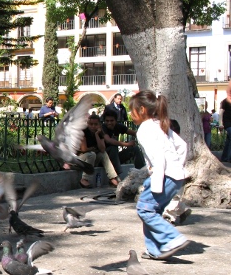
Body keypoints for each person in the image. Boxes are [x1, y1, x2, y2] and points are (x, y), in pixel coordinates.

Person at [129, 90, 190, 260]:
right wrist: (178, 166)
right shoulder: (160, 124)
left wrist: (156, 180)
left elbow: (158, 157)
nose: (130, 114)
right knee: (152, 210)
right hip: (176, 175)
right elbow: (182, 146)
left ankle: (172, 238)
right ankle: (156, 249)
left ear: (141, 110)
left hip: (164, 175)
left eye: (131, 110)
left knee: (145, 209)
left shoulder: (145, 129)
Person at [77, 114, 119, 188]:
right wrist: (92, 149)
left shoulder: (99, 133)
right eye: (91, 124)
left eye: (96, 124)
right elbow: (84, 149)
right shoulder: (84, 131)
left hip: (91, 160)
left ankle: (112, 178)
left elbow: (102, 149)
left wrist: (97, 135)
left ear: (99, 124)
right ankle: (84, 179)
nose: (93, 126)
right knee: (92, 154)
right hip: (79, 159)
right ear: (87, 124)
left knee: (103, 154)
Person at [102, 110, 145, 176]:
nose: (109, 123)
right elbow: (108, 140)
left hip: (116, 158)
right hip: (104, 159)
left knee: (135, 149)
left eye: (111, 120)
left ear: (116, 121)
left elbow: (134, 133)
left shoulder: (119, 126)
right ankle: (116, 176)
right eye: (107, 121)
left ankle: (142, 172)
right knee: (112, 148)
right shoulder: (103, 128)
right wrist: (127, 144)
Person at [219, 83, 231, 162]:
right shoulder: (224, 101)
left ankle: (224, 157)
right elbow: (221, 113)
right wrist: (220, 124)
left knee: (229, 141)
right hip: (228, 123)